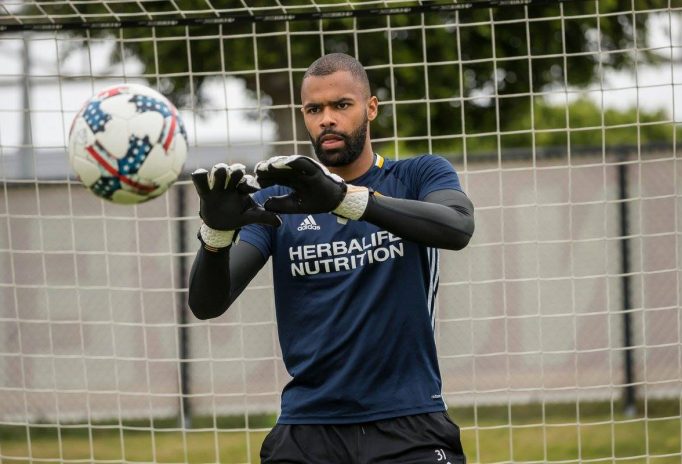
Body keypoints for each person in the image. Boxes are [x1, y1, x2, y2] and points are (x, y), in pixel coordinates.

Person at [188, 53, 474, 464]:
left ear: (370, 108)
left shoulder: (418, 175)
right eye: (314, 109)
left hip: (408, 421)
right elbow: (208, 303)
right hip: (308, 427)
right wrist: (215, 236)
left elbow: (458, 226)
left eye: (341, 105)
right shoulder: (277, 203)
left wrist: (346, 199)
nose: (327, 119)